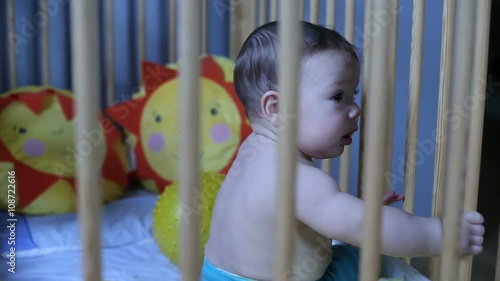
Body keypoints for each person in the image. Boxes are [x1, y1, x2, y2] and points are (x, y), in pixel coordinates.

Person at [202, 21, 484, 281]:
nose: (356, 109)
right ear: (277, 109)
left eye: (353, 95)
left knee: (349, 256)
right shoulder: (295, 178)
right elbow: (368, 227)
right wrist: (440, 235)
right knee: (373, 261)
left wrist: (355, 212)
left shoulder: (252, 153)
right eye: (338, 96)